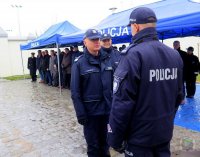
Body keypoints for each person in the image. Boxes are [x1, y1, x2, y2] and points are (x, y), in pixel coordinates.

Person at [107, 7, 184, 157]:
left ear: (135, 26)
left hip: (139, 140)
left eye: (131, 28)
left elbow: (122, 104)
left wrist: (114, 139)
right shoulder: (174, 55)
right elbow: (179, 96)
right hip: (163, 134)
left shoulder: (132, 55)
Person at [71, 29, 113, 157]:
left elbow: (114, 87)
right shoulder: (79, 64)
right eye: (93, 40)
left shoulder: (107, 60)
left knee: (106, 145)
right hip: (91, 115)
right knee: (93, 147)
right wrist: (81, 113)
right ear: (85, 42)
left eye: (98, 39)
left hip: (107, 112)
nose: (97, 42)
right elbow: (75, 92)